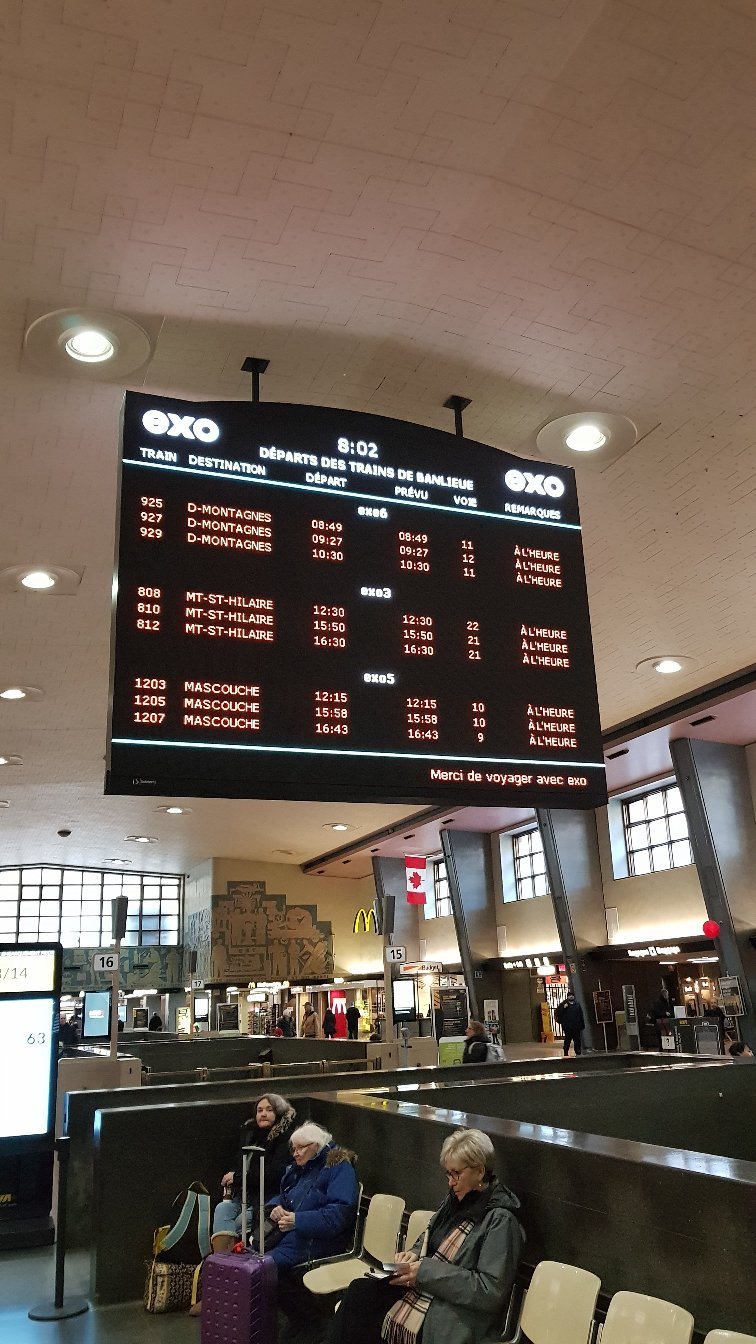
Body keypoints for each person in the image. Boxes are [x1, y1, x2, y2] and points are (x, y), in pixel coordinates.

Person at [330, 1128, 523, 1344]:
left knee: (366, 1317)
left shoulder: (500, 1220)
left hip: (455, 1311)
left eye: (456, 1174)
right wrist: (411, 1256)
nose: (450, 1182)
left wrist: (424, 1272)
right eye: (447, 1174)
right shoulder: (453, 1201)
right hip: (427, 1287)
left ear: (479, 1171)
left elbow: (489, 1291)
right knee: (358, 1292)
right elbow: (427, 1240)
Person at [267, 1122, 359, 1343]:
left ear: (316, 1146)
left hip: (317, 1241)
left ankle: (311, 1322)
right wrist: (274, 1207)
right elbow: (284, 1195)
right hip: (293, 1237)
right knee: (256, 1261)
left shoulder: (339, 1168)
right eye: (293, 1148)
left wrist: (299, 1220)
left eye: (300, 1148)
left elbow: (338, 1215)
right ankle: (302, 1320)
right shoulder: (302, 1168)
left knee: (264, 1267)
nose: (295, 1153)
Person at [211, 1093, 296, 1253]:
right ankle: (222, 1263)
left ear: (278, 1113)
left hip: (265, 1199)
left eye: (269, 1110)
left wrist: (237, 1177)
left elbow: (273, 1174)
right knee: (222, 1209)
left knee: (238, 1224)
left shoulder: (285, 1139)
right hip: (243, 1195)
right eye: (259, 1110)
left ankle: (235, 1261)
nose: (263, 1114)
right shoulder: (250, 1135)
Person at [554, 992, 585, 1056]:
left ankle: (578, 1051)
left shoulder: (577, 1005)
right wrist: (563, 1008)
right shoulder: (563, 1004)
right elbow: (558, 1012)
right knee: (568, 1039)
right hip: (567, 1027)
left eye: (572, 995)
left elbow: (580, 1015)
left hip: (576, 1026)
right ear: (567, 997)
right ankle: (566, 1051)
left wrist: (582, 1024)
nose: (571, 997)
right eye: (570, 996)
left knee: (577, 1040)